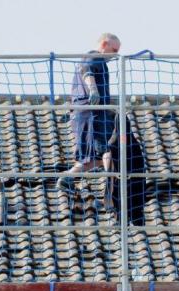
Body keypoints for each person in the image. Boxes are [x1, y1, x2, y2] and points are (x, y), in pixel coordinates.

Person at [57, 33, 121, 209]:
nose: (116, 54)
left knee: (96, 157)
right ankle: (110, 197)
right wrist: (93, 88)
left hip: (89, 114)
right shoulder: (94, 56)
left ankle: (69, 177)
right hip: (93, 115)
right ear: (104, 44)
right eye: (114, 49)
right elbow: (87, 70)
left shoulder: (96, 60)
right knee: (109, 152)